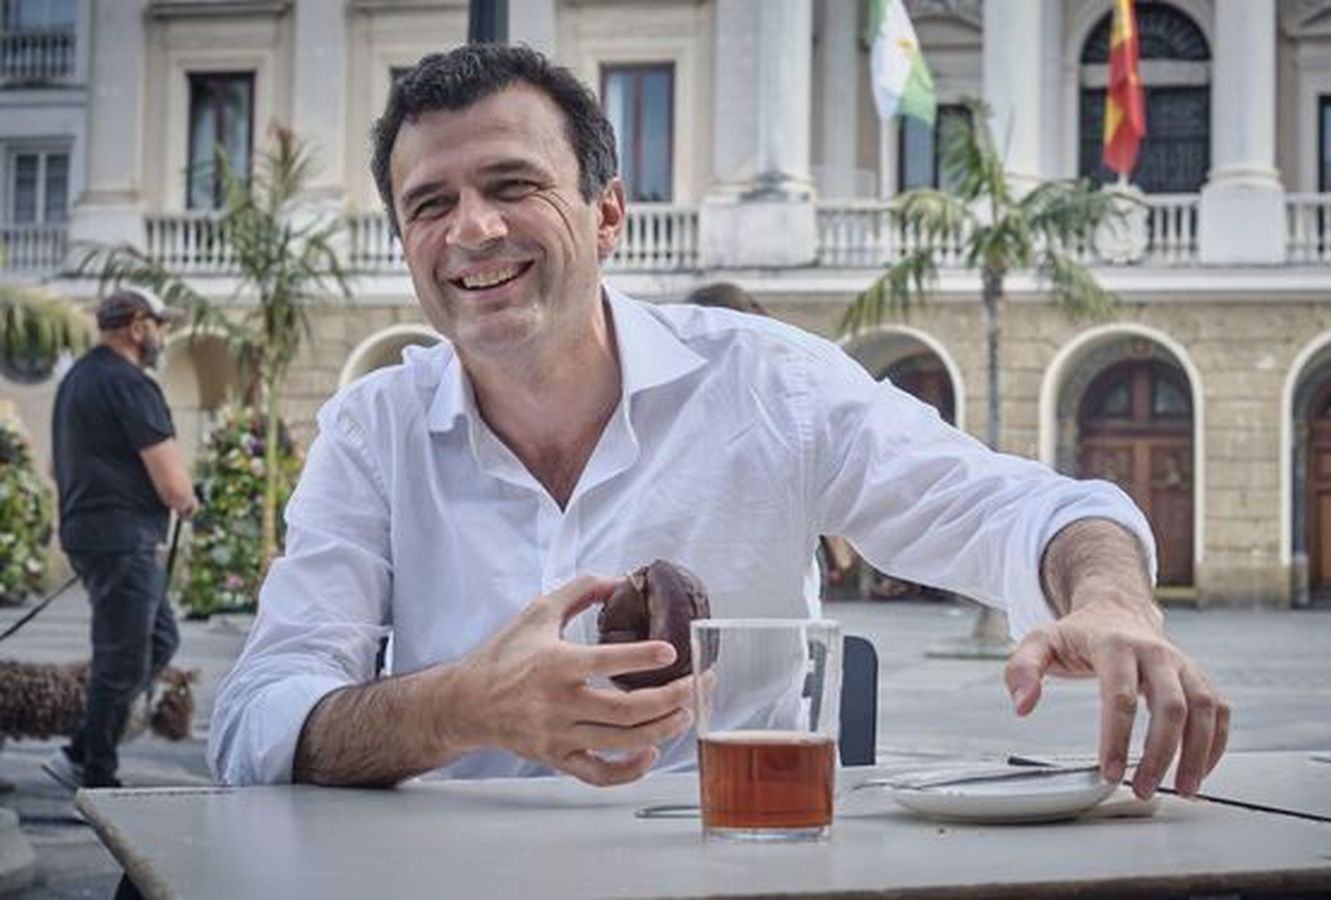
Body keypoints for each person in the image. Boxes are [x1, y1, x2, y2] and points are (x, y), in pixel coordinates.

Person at [209, 44, 1229, 800]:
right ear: (404, 243)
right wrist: (460, 707)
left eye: (513, 185)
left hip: (731, 859)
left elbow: (1030, 511)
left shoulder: (764, 384)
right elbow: (258, 717)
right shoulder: (371, 428)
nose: (472, 229)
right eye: (430, 204)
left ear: (608, 215)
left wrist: (1112, 606)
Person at [45, 288, 196, 790]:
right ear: (136, 326)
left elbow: (53, 465)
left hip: (87, 532)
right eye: (159, 324)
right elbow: (173, 484)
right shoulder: (133, 385)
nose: (162, 335)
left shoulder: (76, 381)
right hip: (123, 537)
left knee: (159, 639)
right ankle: (95, 774)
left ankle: (82, 749)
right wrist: (191, 505)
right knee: (123, 657)